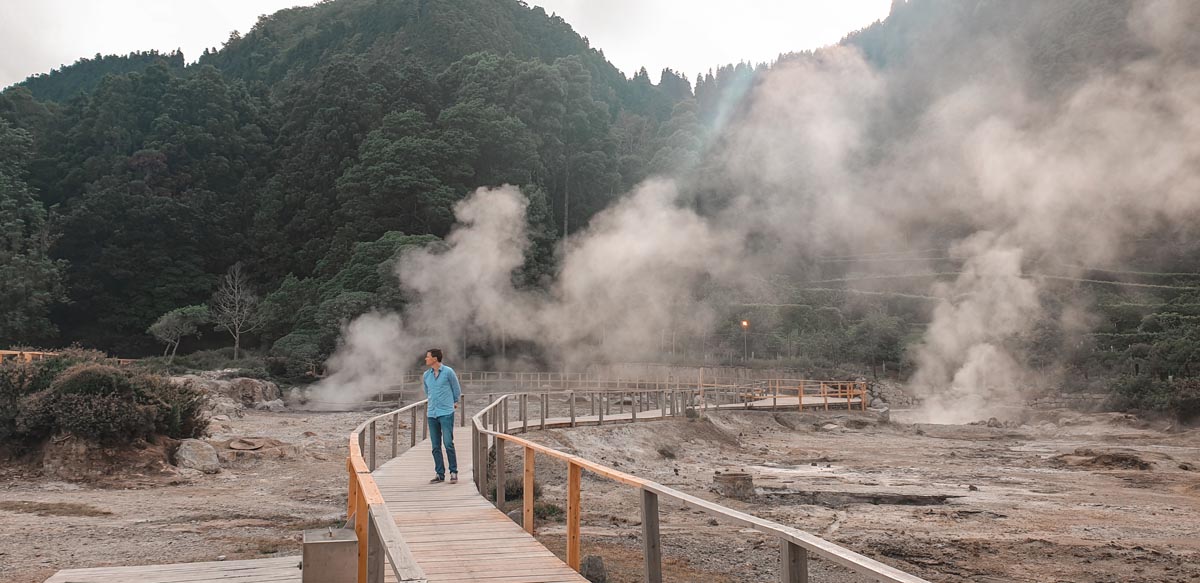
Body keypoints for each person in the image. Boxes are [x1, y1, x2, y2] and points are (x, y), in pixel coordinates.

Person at [422, 348, 461, 483]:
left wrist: (455, 401)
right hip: (432, 413)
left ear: (435, 358)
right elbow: (427, 391)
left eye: (428, 357)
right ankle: (440, 474)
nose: (426, 359)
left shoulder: (448, 372)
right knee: (435, 446)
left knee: (448, 443)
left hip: (446, 412)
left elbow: (456, 388)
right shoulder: (426, 375)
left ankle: (454, 472)